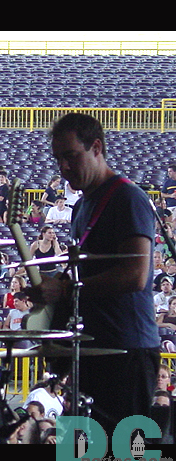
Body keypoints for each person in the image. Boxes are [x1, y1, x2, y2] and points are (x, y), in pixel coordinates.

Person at [30, 112, 160, 435]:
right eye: (58, 159)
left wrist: (65, 290)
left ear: (97, 148)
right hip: (91, 349)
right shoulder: (82, 206)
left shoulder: (128, 198)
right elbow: (83, 273)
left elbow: (135, 274)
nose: (63, 167)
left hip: (126, 351)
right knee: (79, 455)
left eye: (71, 156)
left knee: (128, 455)